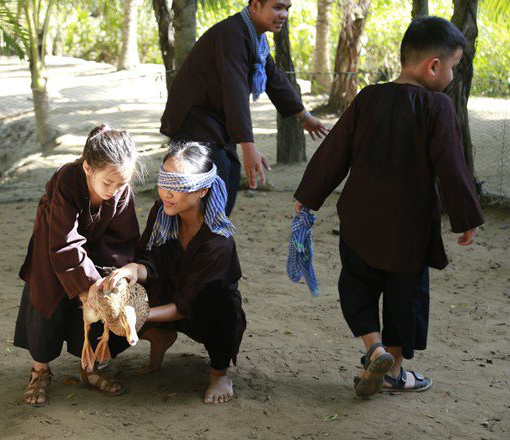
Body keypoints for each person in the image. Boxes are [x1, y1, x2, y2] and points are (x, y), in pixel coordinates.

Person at [293, 16, 484, 397]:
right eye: (453, 67)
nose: (452, 75)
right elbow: (451, 163)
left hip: (360, 220)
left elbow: (335, 152)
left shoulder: (368, 97)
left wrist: (307, 197)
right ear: (433, 65)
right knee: (405, 297)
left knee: (357, 285)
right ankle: (395, 371)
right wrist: (466, 217)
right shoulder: (438, 107)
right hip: (409, 228)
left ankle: (373, 348)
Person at [104, 141, 246, 404]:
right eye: (164, 181)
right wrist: (134, 269)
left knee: (216, 299)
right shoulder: (163, 212)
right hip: (167, 295)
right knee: (115, 291)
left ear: (202, 190)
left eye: (177, 185)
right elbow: (150, 261)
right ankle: (161, 335)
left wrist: (138, 316)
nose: (166, 193)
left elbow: (188, 303)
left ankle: (220, 372)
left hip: (203, 314)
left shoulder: (218, 240)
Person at [160, 0, 329, 215]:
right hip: (194, 123)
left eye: (287, 8)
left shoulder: (255, 38)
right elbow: (235, 88)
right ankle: (200, 244)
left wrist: (304, 117)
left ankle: (212, 243)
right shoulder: (231, 34)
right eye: (277, 7)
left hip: (217, 125)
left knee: (228, 178)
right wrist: (248, 145)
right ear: (255, 6)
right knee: (212, 188)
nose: (284, 14)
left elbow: (274, 79)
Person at [13, 125, 140, 406]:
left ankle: (89, 368)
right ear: (87, 168)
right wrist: (88, 283)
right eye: (107, 183)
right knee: (47, 306)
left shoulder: (120, 188)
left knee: (101, 305)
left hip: (97, 254)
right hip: (54, 249)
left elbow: (124, 239)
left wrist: (110, 279)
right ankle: (40, 371)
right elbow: (64, 242)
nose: (114, 190)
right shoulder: (66, 180)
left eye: (121, 183)